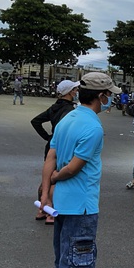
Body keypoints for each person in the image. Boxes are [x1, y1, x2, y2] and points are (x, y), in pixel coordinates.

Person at [38, 72, 120, 268]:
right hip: (81, 206)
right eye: (109, 96)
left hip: (62, 203)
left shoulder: (67, 119)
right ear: (101, 96)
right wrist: (54, 179)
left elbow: (50, 158)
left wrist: (45, 193)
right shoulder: (93, 128)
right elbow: (73, 168)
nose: (110, 101)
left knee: (62, 260)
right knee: (73, 267)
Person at [31, 80, 80, 224]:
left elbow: (35, 121)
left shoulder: (54, 107)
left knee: (46, 177)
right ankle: (50, 211)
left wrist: (47, 137)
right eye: (75, 90)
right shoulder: (72, 110)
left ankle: (41, 209)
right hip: (63, 145)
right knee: (55, 178)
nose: (77, 92)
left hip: (51, 145)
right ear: (70, 92)